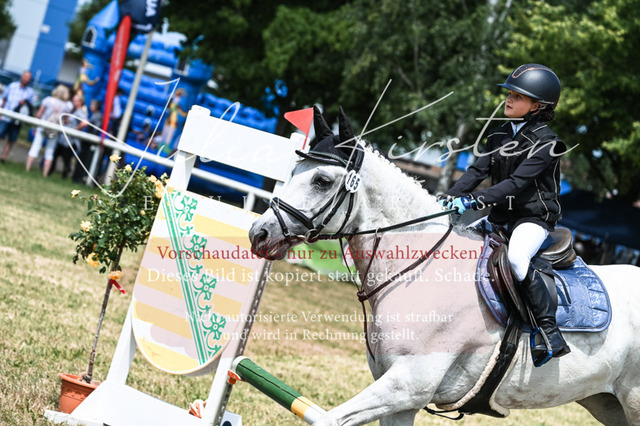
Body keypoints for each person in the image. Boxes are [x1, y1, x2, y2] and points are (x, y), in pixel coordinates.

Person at [439, 63, 570, 366]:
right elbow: (476, 172)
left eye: (517, 96)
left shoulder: (548, 143)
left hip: (532, 218)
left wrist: (473, 200)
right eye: (509, 93)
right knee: (455, 242)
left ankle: (548, 331)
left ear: (537, 106)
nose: (508, 99)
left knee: (517, 259)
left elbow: (516, 184)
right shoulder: (498, 134)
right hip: (500, 216)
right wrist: (448, 197)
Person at [25, 84, 71, 176]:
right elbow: (66, 121)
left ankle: (27, 169)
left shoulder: (48, 100)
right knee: (50, 152)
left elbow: (39, 114)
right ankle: (45, 174)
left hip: (43, 126)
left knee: (35, 148)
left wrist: (35, 126)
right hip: (54, 130)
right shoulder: (67, 106)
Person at [0, 70, 36, 163]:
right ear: (21, 76)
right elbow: (4, 99)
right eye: (26, 77)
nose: (27, 79)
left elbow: (30, 106)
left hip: (17, 120)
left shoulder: (30, 92)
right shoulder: (12, 86)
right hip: (6, 116)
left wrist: (24, 103)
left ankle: (3, 157)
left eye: (29, 78)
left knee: (11, 139)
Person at [54, 92, 88, 179]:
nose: (73, 102)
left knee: (66, 158)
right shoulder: (73, 110)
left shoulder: (81, 112)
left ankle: (64, 174)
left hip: (71, 140)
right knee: (59, 155)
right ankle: (59, 173)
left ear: (80, 102)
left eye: (75, 101)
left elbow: (84, 122)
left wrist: (75, 129)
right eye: (73, 100)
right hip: (64, 139)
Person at [72, 99, 102, 184]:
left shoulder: (98, 116)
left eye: (92, 105)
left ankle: (80, 178)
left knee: (85, 160)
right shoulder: (95, 115)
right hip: (87, 141)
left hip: (89, 142)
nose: (90, 106)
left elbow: (95, 130)